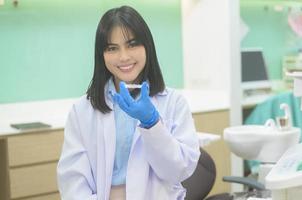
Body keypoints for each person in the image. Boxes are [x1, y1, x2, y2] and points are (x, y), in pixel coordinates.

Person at [57, 5, 200, 200]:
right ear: (102, 55)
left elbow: (179, 171)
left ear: (147, 46)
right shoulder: (82, 111)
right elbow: (73, 183)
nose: (123, 57)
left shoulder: (174, 103)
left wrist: (153, 124)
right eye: (112, 48)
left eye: (132, 44)